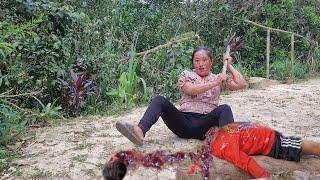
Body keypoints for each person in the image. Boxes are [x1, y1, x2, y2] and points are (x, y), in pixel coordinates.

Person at [116, 47, 248, 146]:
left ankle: (230, 144)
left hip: (206, 126)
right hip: (183, 123)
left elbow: (242, 84)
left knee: (225, 108)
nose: (200, 64)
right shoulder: (186, 75)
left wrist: (229, 65)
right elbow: (191, 90)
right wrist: (215, 83)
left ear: (211, 62)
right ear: (193, 63)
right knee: (159, 100)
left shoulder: (218, 78)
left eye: (204, 60)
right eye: (197, 60)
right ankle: (139, 132)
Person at [103, 122, 320, 180]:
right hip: (263, 133)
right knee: (303, 144)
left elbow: (243, 162)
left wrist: (264, 177)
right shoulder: (221, 136)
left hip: (271, 141)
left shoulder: (222, 145)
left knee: (304, 146)